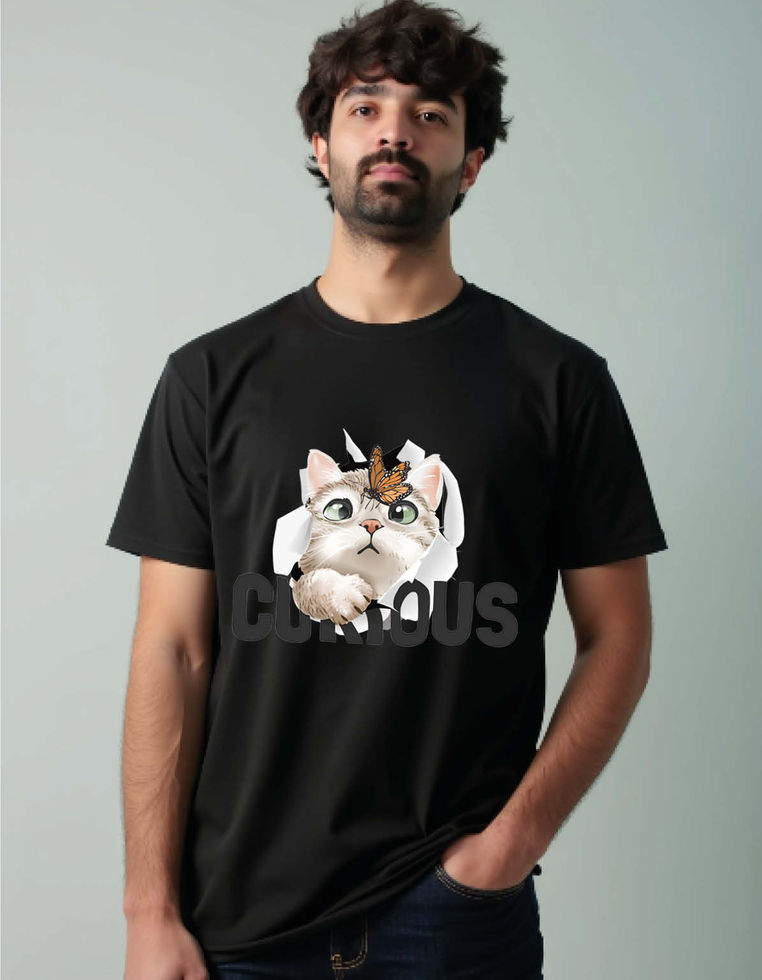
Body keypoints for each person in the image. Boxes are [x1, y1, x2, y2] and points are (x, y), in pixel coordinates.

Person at [106, 1, 668, 977]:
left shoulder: (559, 382)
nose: (395, 131)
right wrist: (148, 908)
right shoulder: (210, 378)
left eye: (430, 113)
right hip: (238, 917)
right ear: (320, 146)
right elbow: (173, 650)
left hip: (453, 918)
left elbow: (619, 636)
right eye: (365, 107)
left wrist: (506, 850)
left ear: (473, 162)